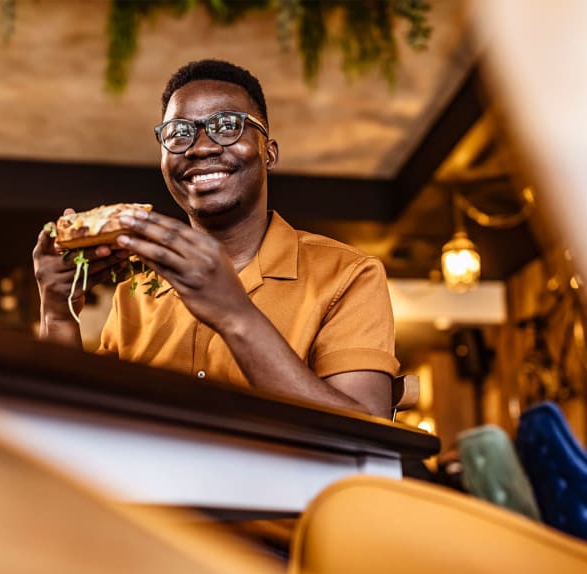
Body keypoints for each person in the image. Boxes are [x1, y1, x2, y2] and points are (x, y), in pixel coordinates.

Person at [33, 59, 399, 418]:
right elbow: (82, 427)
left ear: (268, 152)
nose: (200, 147)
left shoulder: (350, 274)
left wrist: (233, 313)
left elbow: (368, 430)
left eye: (227, 126)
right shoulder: (137, 292)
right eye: (179, 132)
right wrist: (58, 314)